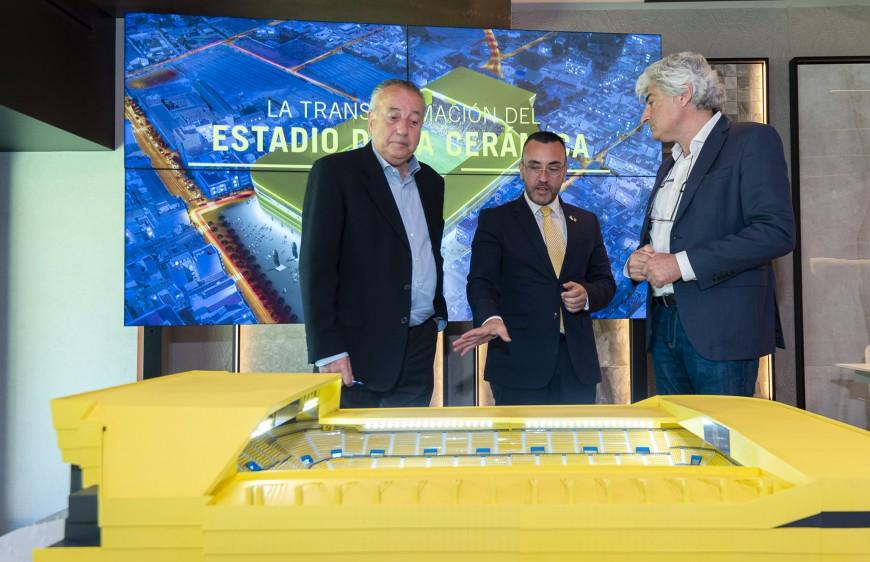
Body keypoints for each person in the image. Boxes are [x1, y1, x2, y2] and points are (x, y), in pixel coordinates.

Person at [627, 52, 795, 397]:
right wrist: (641, 260)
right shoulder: (669, 163)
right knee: (678, 431)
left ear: (683, 95)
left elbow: (775, 232)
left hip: (722, 330)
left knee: (720, 431)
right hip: (664, 326)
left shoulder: (751, 141)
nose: (645, 115)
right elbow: (675, 235)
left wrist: (680, 264)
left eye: (651, 101)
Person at [300, 79, 446, 407]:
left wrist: (437, 313)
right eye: (393, 117)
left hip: (418, 350)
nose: (403, 129)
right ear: (371, 120)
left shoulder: (431, 182)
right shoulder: (335, 173)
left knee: (409, 439)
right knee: (350, 441)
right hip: (355, 355)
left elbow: (429, 252)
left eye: (414, 121)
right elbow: (316, 266)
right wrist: (328, 350)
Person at [453, 131, 616, 405]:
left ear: (564, 171)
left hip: (577, 367)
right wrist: (490, 318)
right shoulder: (495, 220)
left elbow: (605, 283)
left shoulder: (587, 222)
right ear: (521, 169)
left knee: (577, 435)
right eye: (534, 167)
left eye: (553, 168)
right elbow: (481, 282)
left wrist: (587, 295)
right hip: (518, 365)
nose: (543, 178)